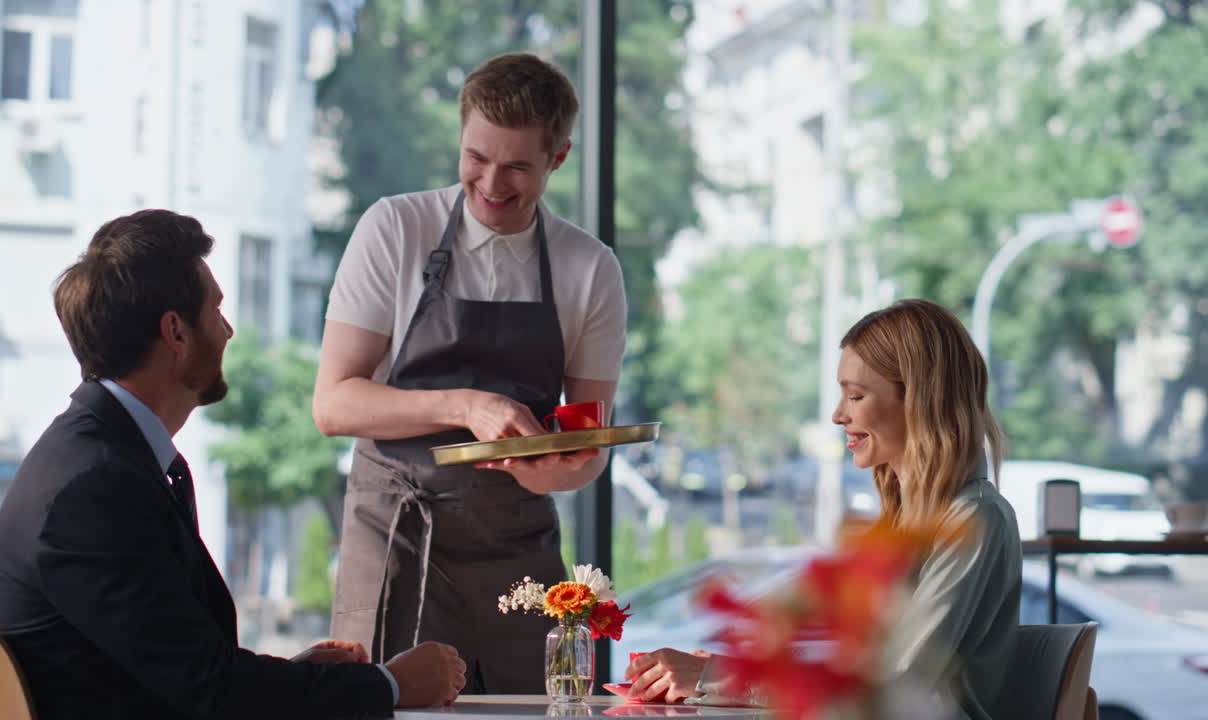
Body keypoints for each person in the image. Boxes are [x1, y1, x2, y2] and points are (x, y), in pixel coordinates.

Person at [0, 209, 466, 720]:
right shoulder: (90, 491)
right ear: (175, 331)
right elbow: (213, 691)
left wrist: (306, 676)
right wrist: (389, 684)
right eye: (216, 311)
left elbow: (180, 672)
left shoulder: (100, 461)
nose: (228, 330)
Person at [312, 51, 627, 693]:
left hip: (516, 551)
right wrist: (465, 406)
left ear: (558, 157)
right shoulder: (395, 228)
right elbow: (334, 405)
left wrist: (555, 469)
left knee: (535, 705)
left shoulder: (588, 268)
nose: (490, 182)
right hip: (397, 534)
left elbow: (590, 446)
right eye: (475, 158)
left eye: (516, 166)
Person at [626, 299, 1022, 720]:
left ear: (919, 400)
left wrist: (717, 677)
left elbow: (894, 683)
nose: (838, 415)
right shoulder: (910, 520)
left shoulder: (973, 518)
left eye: (856, 395)